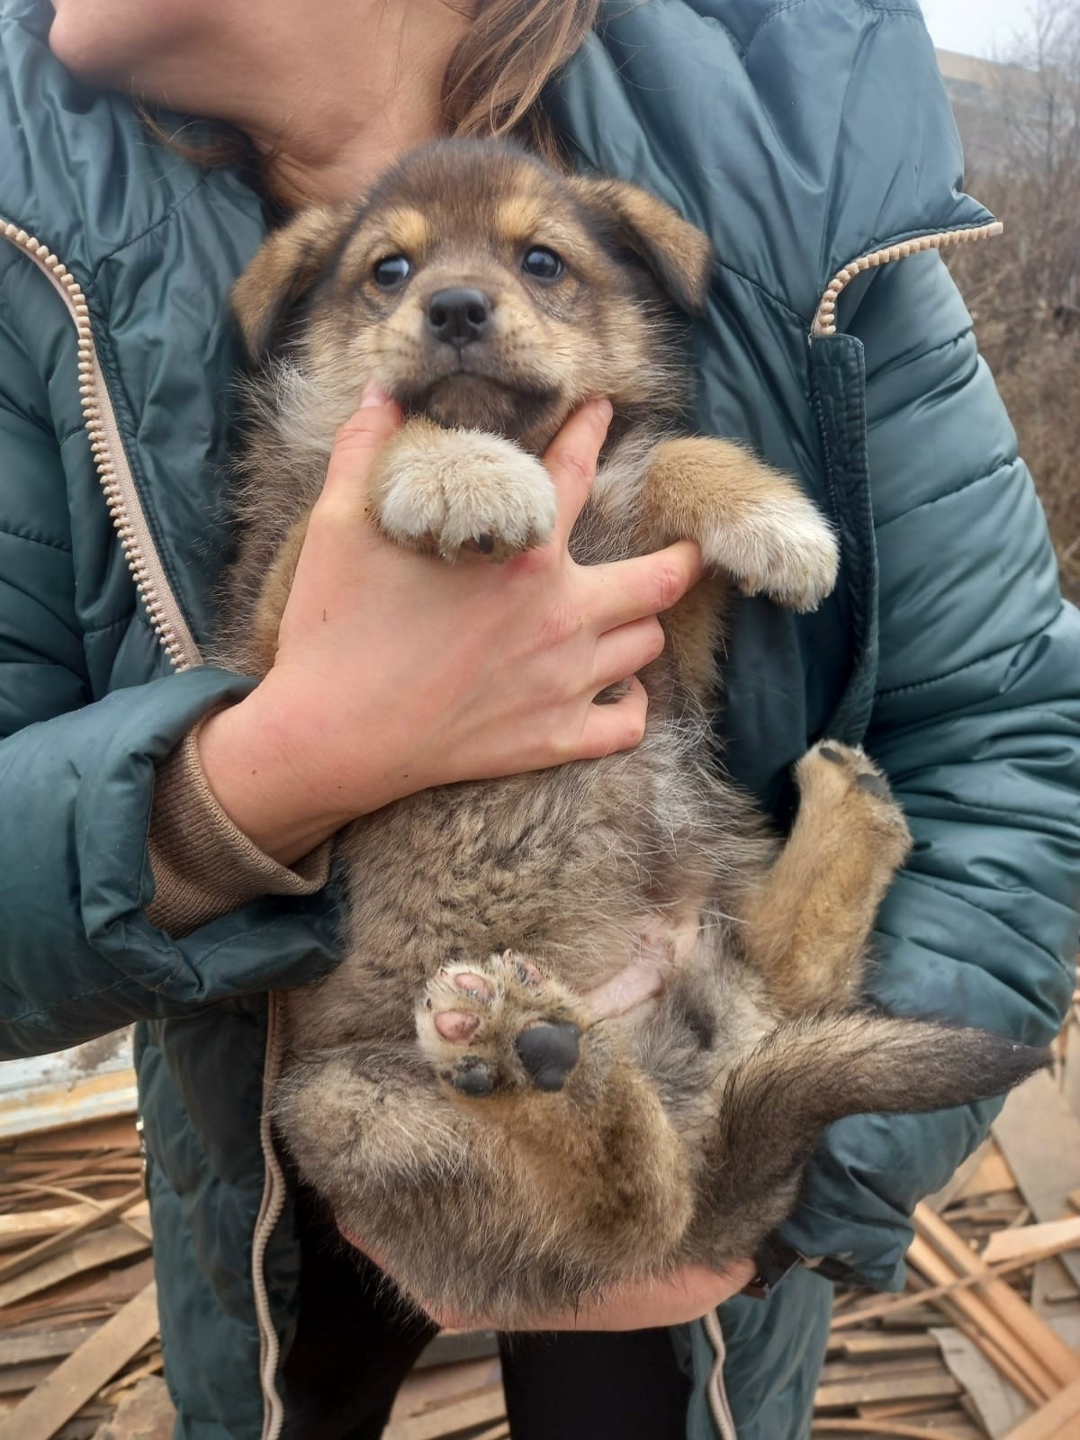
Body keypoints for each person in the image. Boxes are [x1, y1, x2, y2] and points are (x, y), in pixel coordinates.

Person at [0, 0, 1077, 1436]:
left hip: (680, 1069)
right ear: (315, 313)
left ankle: (715, 1039)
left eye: (534, 268)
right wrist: (270, 768)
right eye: (394, 275)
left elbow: (1014, 726)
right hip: (351, 1081)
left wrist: (787, 1204)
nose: (452, 299)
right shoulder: (34, 244)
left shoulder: (801, 179)